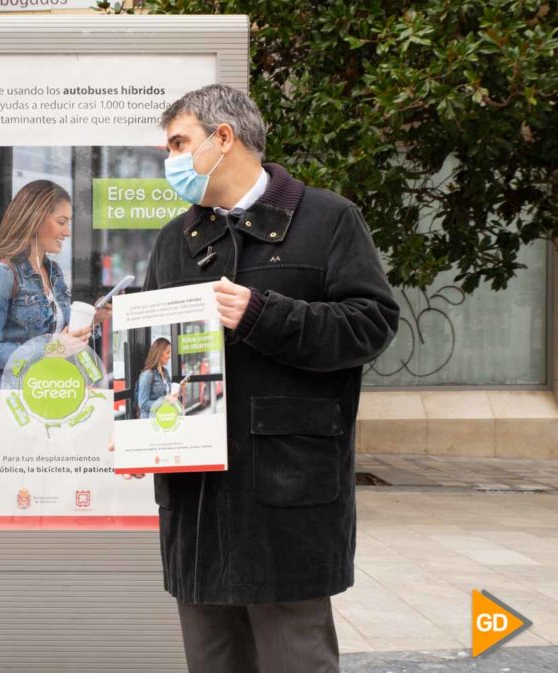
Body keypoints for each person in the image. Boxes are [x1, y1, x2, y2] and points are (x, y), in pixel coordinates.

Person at [145, 84, 399, 673]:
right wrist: (140, 432)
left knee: (294, 656)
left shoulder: (329, 219)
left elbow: (372, 324)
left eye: (179, 143)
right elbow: (157, 351)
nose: (171, 159)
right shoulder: (176, 241)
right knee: (212, 658)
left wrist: (262, 313)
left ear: (223, 138)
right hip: (196, 495)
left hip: (288, 488)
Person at [0, 179, 109, 389]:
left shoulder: (53, 272)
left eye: (68, 224)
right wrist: (50, 349)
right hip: (9, 403)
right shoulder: (0, 276)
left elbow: (62, 336)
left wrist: (93, 320)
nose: (67, 232)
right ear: (35, 220)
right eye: (61, 222)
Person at [136, 337, 174, 418]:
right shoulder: (148, 374)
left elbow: (167, 395)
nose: (170, 356)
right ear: (159, 353)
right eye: (167, 353)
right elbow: (143, 404)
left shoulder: (165, 372)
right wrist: (163, 402)